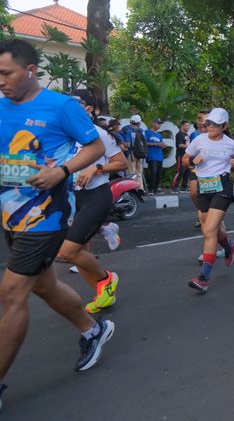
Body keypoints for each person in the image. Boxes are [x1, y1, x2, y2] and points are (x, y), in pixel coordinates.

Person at [0, 39, 114, 404]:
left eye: (6, 73)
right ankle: (92, 330)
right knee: (44, 285)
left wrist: (62, 171)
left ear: (30, 71)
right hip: (11, 216)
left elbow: (96, 147)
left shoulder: (61, 106)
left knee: (11, 293)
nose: (0, 81)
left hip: (47, 217)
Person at [56, 89, 127, 314]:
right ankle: (104, 294)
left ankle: (107, 278)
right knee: (80, 254)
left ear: (89, 108)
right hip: (70, 199)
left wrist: (96, 168)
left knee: (67, 252)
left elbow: (121, 163)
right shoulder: (63, 132)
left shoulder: (99, 134)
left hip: (96, 197)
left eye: (75, 102)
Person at [184, 108, 234, 292]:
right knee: (211, 228)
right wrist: (192, 161)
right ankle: (229, 247)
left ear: (224, 126)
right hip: (204, 186)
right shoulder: (199, 140)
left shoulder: (231, 144)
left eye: (215, 125)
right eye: (208, 123)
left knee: (209, 230)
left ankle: (203, 278)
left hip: (222, 185)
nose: (210, 127)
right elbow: (185, 159)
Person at [189, 111, 209, 228]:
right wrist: (192, 160)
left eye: (201, 118)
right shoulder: (194, 135)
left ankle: (209, 214)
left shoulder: (215, 133)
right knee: (193, 193)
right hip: (196, 168)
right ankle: (201, 211)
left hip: (211, 170)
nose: (199, 121)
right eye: (198, 118)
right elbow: (188, 155)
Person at [122, 114, 146, 190]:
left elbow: (128, 144)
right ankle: (140, 189)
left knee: (131, 172)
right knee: (139, 172)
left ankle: (132, 190)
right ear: (139, 123)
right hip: (141, 154)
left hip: (131, 153)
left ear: (130, 122)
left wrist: (123, 144)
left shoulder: (128, 130)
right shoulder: (142, 131)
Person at [145, 118, 166, 195]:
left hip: (159, 156)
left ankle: (156, 188)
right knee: (153, 172)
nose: (159, 125)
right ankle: (150, 188)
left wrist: (163, 146)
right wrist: (156, 144)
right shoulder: (147, 132)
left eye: (160, 124)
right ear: (153, 123)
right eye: (158, 123)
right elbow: (145, 143)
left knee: (158, 173)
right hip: (151, 155)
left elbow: (161, 144)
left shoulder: (159, 135)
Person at [171, 120, 191, 193]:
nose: (188, 127)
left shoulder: (187, 135)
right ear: (182, 126)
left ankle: (184, 187)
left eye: (189, 126)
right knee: (180, 171)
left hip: (187, 156)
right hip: (181, 155)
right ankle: (174, 187)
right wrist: (189, 146)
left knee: (187, 172)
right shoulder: (179, 134)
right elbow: (180, 145)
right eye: (186, 125)